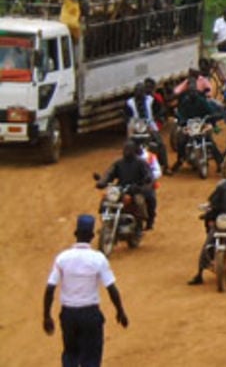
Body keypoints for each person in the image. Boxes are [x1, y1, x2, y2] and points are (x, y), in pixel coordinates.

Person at [43, 214, 129, 367]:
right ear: (92, 236)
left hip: (68, 314)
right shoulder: (98, 259)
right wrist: (120, 311)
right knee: (91, 357)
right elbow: (111, 288)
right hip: (90, 315)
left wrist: (47, 316)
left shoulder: (63, 258)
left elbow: (50, 288)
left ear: (76, 234)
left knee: (70, 353)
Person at [97, 141, 156, 230]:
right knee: (106, 198)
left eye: (129, 149)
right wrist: (102, 182)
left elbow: (148, 175)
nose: (127, 151)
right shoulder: (118, 163)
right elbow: (110, 173)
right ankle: (106, 218)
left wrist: (142, 185)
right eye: (125, 149)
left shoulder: (141, 163)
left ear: (134, 150)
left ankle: (139, 225)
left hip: (136, 189)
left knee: (139, 202)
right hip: (121, 189)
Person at [124, 82, 169, 175]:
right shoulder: (129, 103)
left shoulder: (151, 100)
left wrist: (159, 116)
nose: (139, 94)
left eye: (141, 92)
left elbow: (159, 109)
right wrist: (127, 119)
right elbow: (126, 114)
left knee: (160, 144)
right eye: (137, 92)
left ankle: (165, 166)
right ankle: (127, 165)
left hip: (150, 125)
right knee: (128, 145)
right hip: (135, 126)